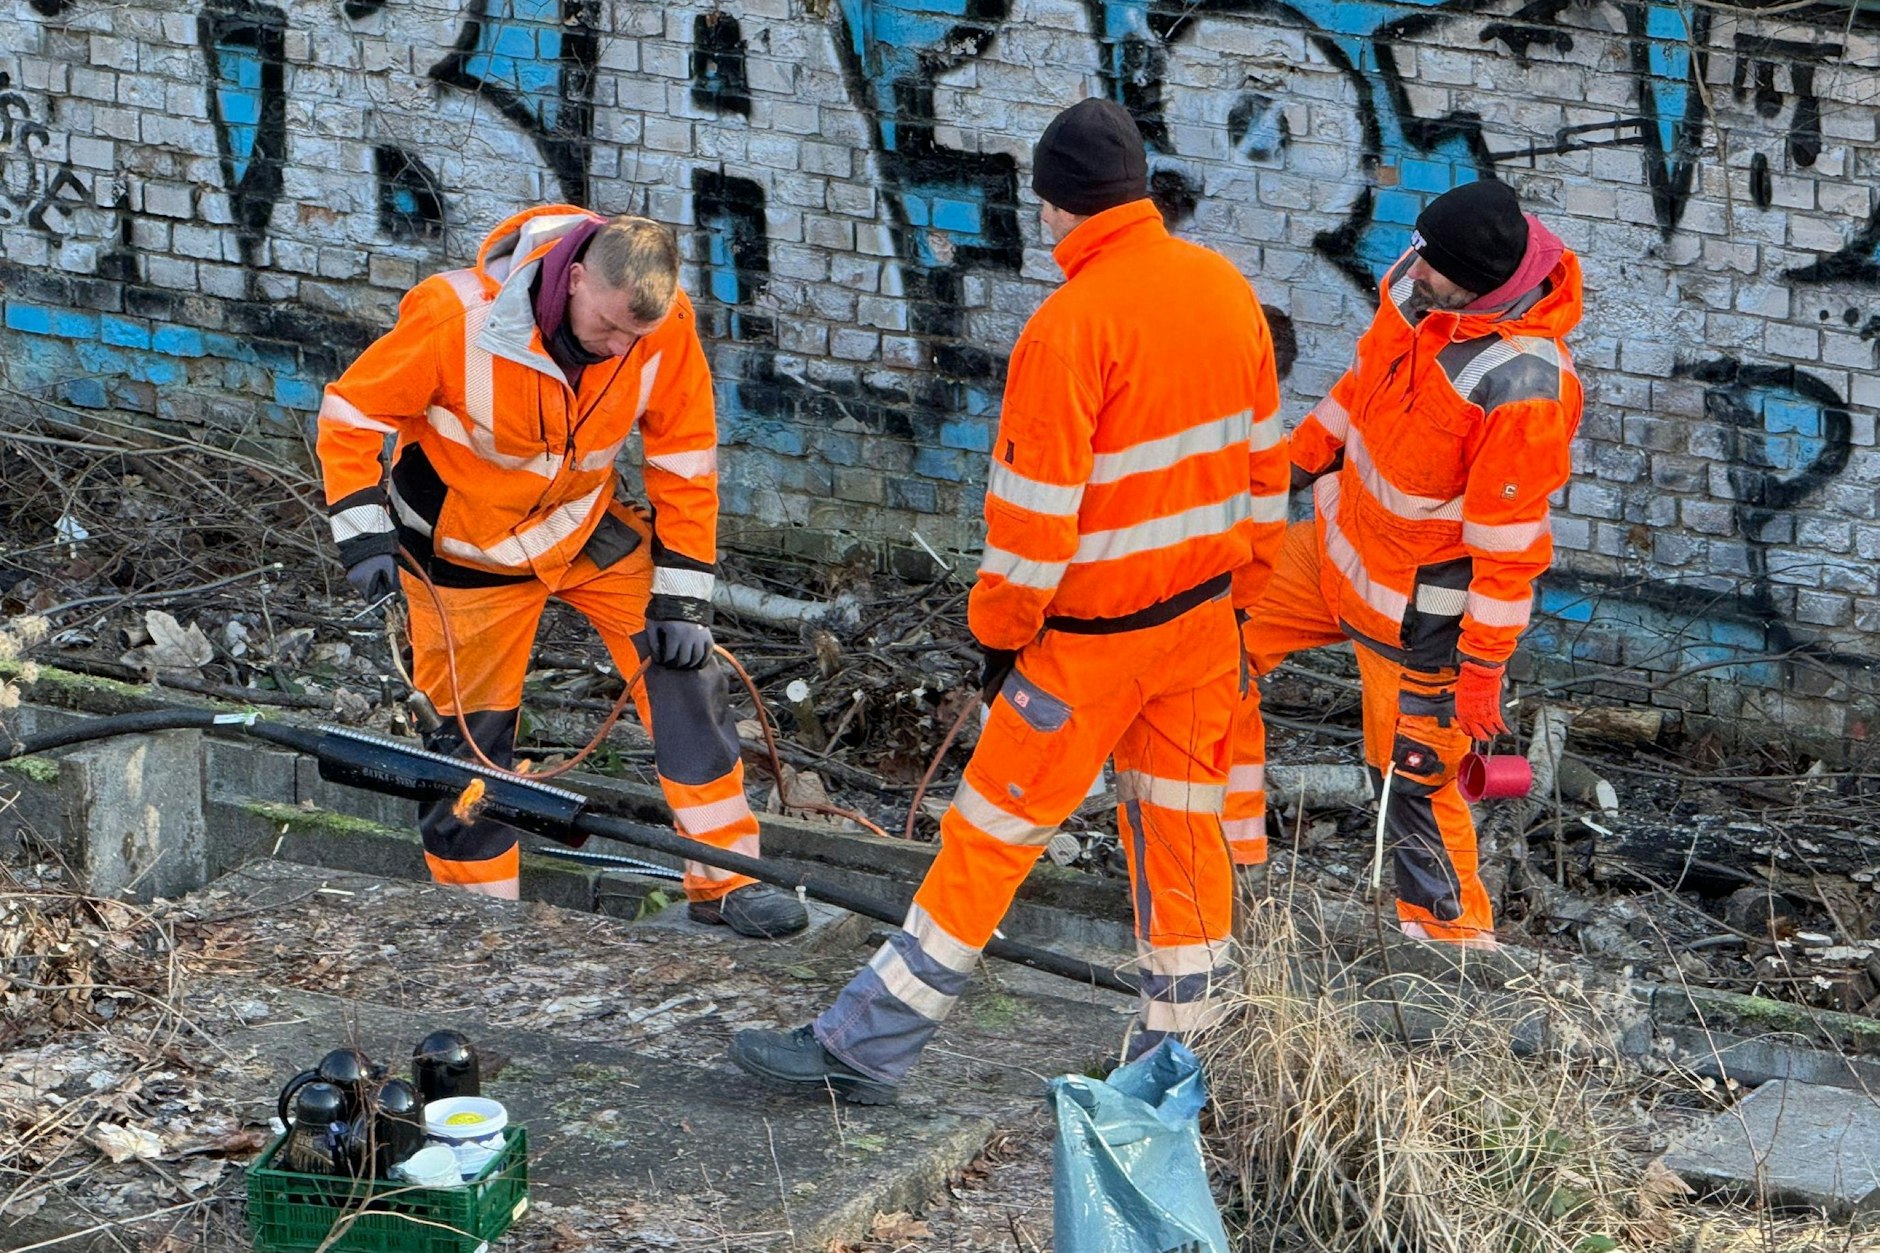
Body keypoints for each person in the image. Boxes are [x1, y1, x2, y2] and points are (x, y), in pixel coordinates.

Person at [728, 98, 1290, 1103]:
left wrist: (996, 640)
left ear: (1050, 206)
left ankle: (862, 1046)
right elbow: (1263, 473)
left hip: (1086, 646)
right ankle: (1178, 1069)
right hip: (1203, 627)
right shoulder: (1223, 290)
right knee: (1182, 843)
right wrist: (1233, 603)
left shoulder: (1069, 326)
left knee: (988, 836)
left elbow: (1032, 526)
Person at [314, 206, 807, 937]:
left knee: (685, 670)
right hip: (464, 554)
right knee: (468, 751)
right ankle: (482, 926)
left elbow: (685, 458)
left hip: (580, 529)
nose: (617, 348)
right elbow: (350, 414)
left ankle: (728, 880)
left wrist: (684, 600)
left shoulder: (659, 327)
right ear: (572, 278)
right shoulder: (458, 319)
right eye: (607, 328)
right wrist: (364, 538)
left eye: (633, 337)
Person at [1223, 179, 1584, 947]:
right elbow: (1360, 389)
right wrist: (1296, 463)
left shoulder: (1523, 390)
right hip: (1334, 551)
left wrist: (1483, 665)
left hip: (1420, 615)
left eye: (1432, 263)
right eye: (1418, 252)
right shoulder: (1417, 297)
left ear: (1480, 284)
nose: (1412, 269)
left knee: (1415, 778)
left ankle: (1454, 953)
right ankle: (1227, 856)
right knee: (1212, 645)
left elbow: (1509, 549)